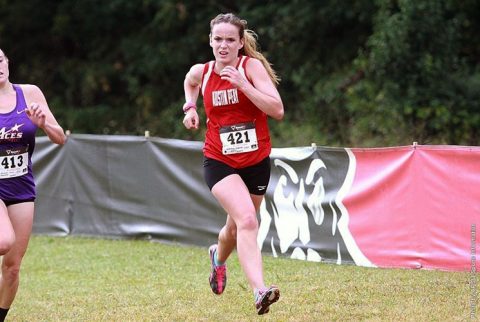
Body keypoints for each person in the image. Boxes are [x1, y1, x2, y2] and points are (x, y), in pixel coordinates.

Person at [182, 13, 284, 315]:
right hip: (219, 159)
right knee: (249, 221)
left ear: (241, 43)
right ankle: (260, 291)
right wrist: (190, 107)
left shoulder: (250, 67)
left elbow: (277, 109)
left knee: (234, 227)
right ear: (210, 41)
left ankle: (218, 258)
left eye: (230, 40)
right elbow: (189, 84)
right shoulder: (203, 71)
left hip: (256, 160)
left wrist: (244, 85)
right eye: (218, 40)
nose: (223, 46)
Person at [0, 48, 67, 321]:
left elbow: (60, 137)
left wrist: (42, 125)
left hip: (21, 187)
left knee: (13, 267)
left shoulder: (29, 93)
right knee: (4, 241)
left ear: (6, 62)